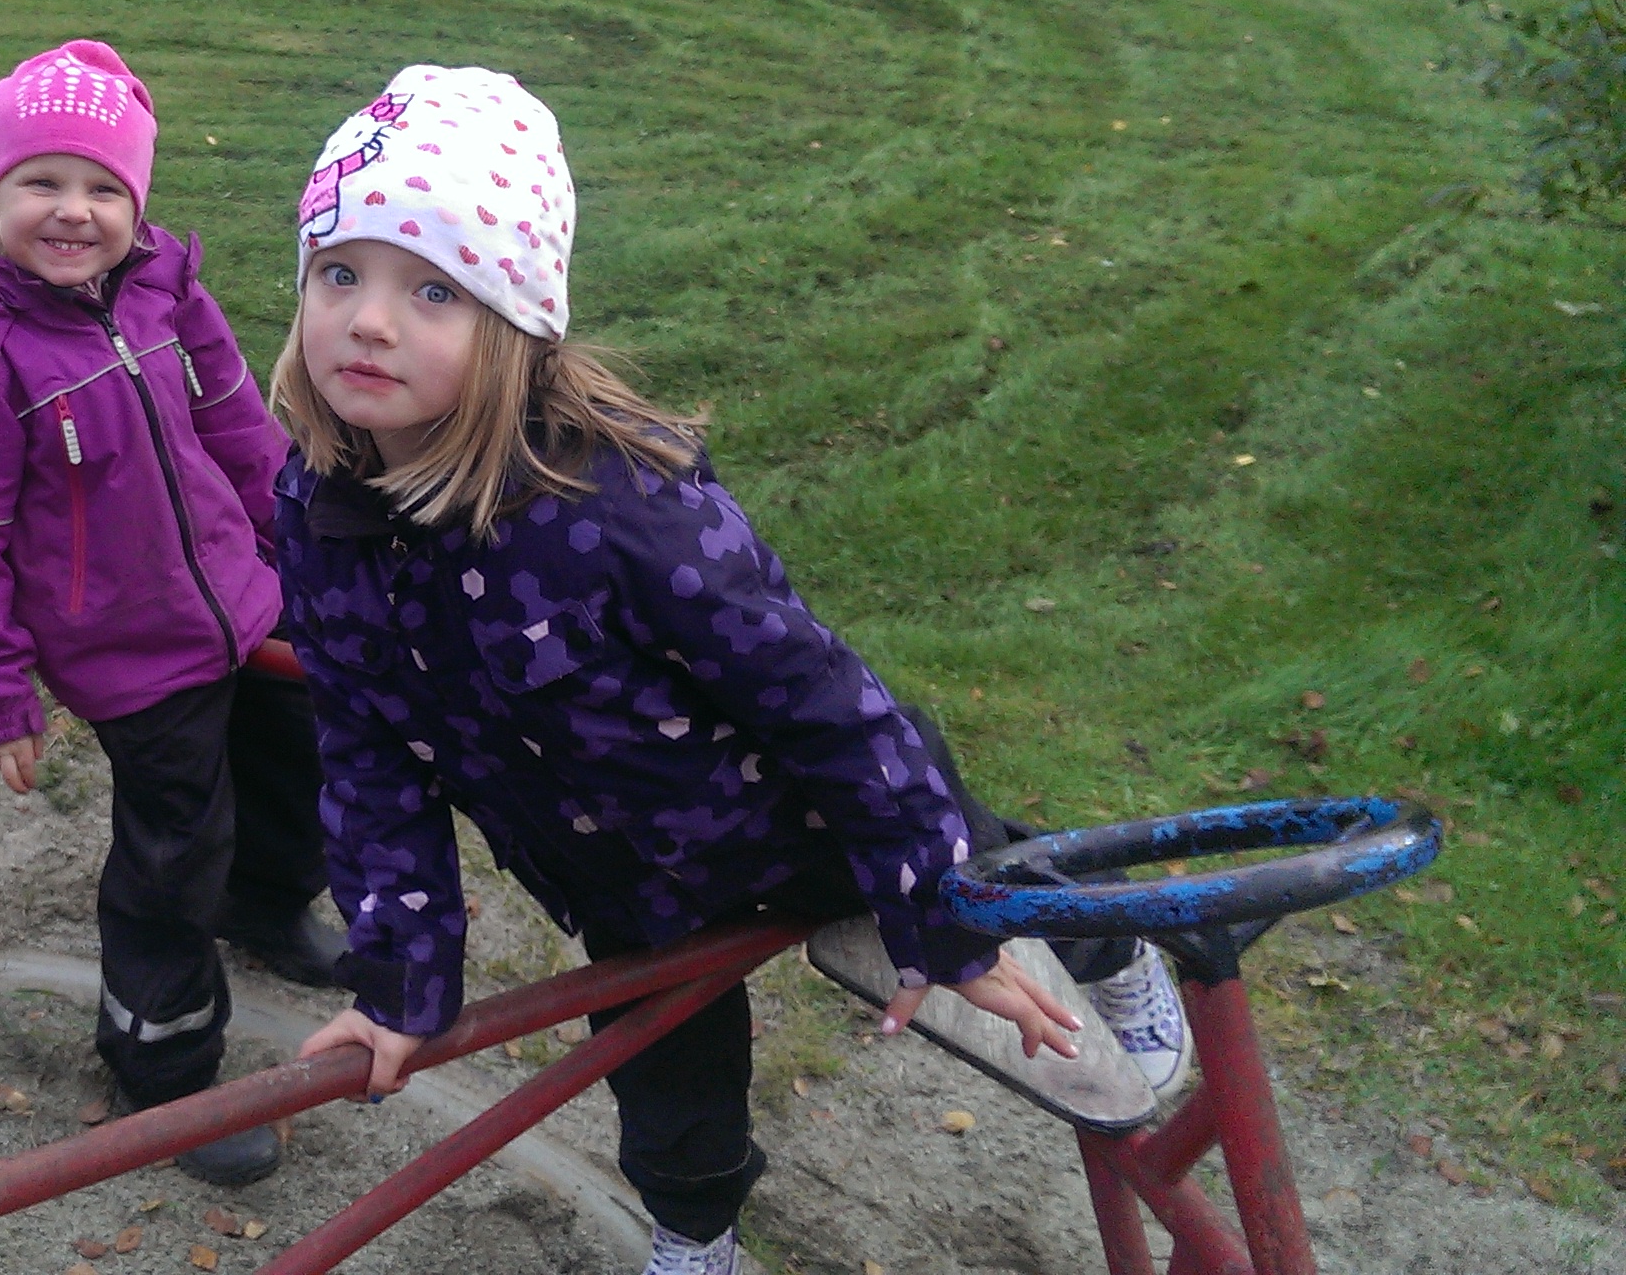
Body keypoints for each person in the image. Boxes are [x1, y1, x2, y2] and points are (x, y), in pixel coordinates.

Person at [268, 65, 1192, 1274]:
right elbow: (367, 754)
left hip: (810, 816)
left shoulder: (616, 507)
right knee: (667, 1089)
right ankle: (695, 1235)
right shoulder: (322, 513)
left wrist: (937, 911)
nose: (368, 321)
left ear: (515, 325)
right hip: (626, 886)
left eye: (432, 288)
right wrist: (399, 981)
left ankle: (1120, 950)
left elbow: (822, 702)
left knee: (999, 874)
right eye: (339, 272)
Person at [0, 40, 345, 1187]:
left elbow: (236, 421)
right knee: (173, 847)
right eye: (41, 180)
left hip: (242, 595)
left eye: (103, 186)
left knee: (300, 753)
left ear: (137, 201)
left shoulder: (163, 289)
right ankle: (162, 1062)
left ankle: (266, 900)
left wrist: (299, 537)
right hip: (129, 647)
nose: (74, 210)